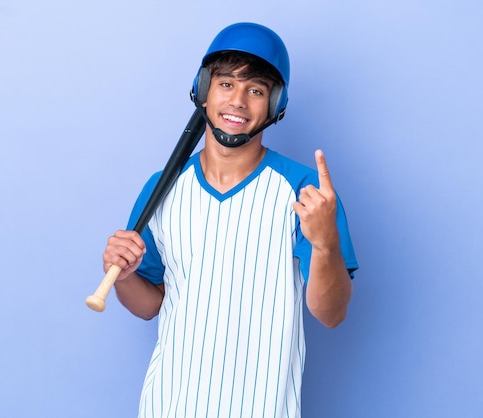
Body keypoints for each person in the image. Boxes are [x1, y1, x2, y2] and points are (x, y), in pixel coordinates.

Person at [103, 22, 358, 418]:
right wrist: (123, 276)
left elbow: (331, 314)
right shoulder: (161, 188)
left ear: (275, 105)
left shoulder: (305, 191)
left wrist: (326, 245)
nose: (238, 101)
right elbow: (149, 304)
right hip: (167, 404)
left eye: (255, 90)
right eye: (226, 84)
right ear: (204, 92)